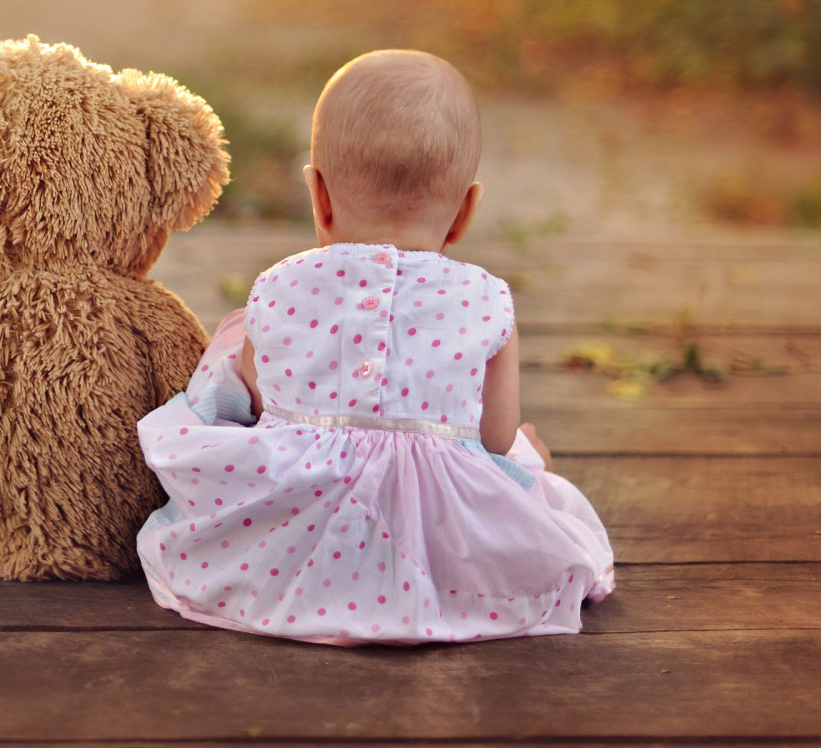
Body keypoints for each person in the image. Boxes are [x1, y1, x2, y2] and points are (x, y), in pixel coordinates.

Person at [134, 50, 614, 645]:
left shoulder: (281, 284)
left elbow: (256, 402)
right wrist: (520, 448)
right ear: (465, 210)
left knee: (227, 362)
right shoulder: (487, 299)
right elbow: (491, 439)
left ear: (319, 195)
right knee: (522, 461)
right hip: (444, 554)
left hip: (291, 553)